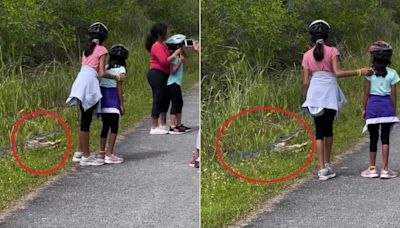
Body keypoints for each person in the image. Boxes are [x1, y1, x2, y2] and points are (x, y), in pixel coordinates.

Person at [301, 20, 371, 181]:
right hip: (330, 92)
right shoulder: (332, 51)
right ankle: (327, 164)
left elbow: (305, 82)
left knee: (318, 131)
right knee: (328, 129)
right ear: (327, 35)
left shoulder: (306, 55)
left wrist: (309, 95)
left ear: (311, 36)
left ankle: (321, 169)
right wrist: (360, 71)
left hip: (315, 93)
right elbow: (338, 73)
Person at [67, 22, 125, 166]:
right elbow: (101, 72)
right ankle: (86, 156)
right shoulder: (102, 50)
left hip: (80, 80)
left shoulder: (86, 49)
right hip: (89, 83)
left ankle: (79, 152)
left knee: (84, 119)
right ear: (104, 37)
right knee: (86, 121)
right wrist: (116, 77)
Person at [360, 41, 399, 179]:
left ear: (374, 58)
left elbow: (366, 93)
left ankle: (372, 169)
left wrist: (363, 109)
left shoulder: (369, 73)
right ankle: (385, 169)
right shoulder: (393, 73)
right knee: (385, 138)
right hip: (387, 108)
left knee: (373, 138)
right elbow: (393, 95)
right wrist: (394, 110)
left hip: (373, 108)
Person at [145, 23, 182, 135]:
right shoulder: (156, 46)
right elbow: (164, 61)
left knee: (165, 98)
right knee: (158, 97)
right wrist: (175, 54)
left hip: (164, 74)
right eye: (165, 32)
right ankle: (154, 125)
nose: (167, 34)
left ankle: (162, 124)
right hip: (156, 74)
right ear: (160, 34)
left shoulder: (163, 45)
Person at [97, 44, 129, 164]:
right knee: (114, 127)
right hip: (113, 98)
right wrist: (121, 104)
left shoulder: (105, 67)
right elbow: (119, 88)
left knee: (105, 126)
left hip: (103, 97)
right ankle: (109, 154)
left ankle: (101, 153)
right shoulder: (121, 70)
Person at [165, 34, 192, 134]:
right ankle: (173, 126)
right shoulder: (174, 58)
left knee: (180, 103)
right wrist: (180, 62)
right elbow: (173, 71)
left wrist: (182, 60)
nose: (184, 46)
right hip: (172, 83)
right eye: (182, 45)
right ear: (178, 46)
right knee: (175, 104)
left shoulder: (179, 56)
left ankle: (179, 124)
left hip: (177, 83)